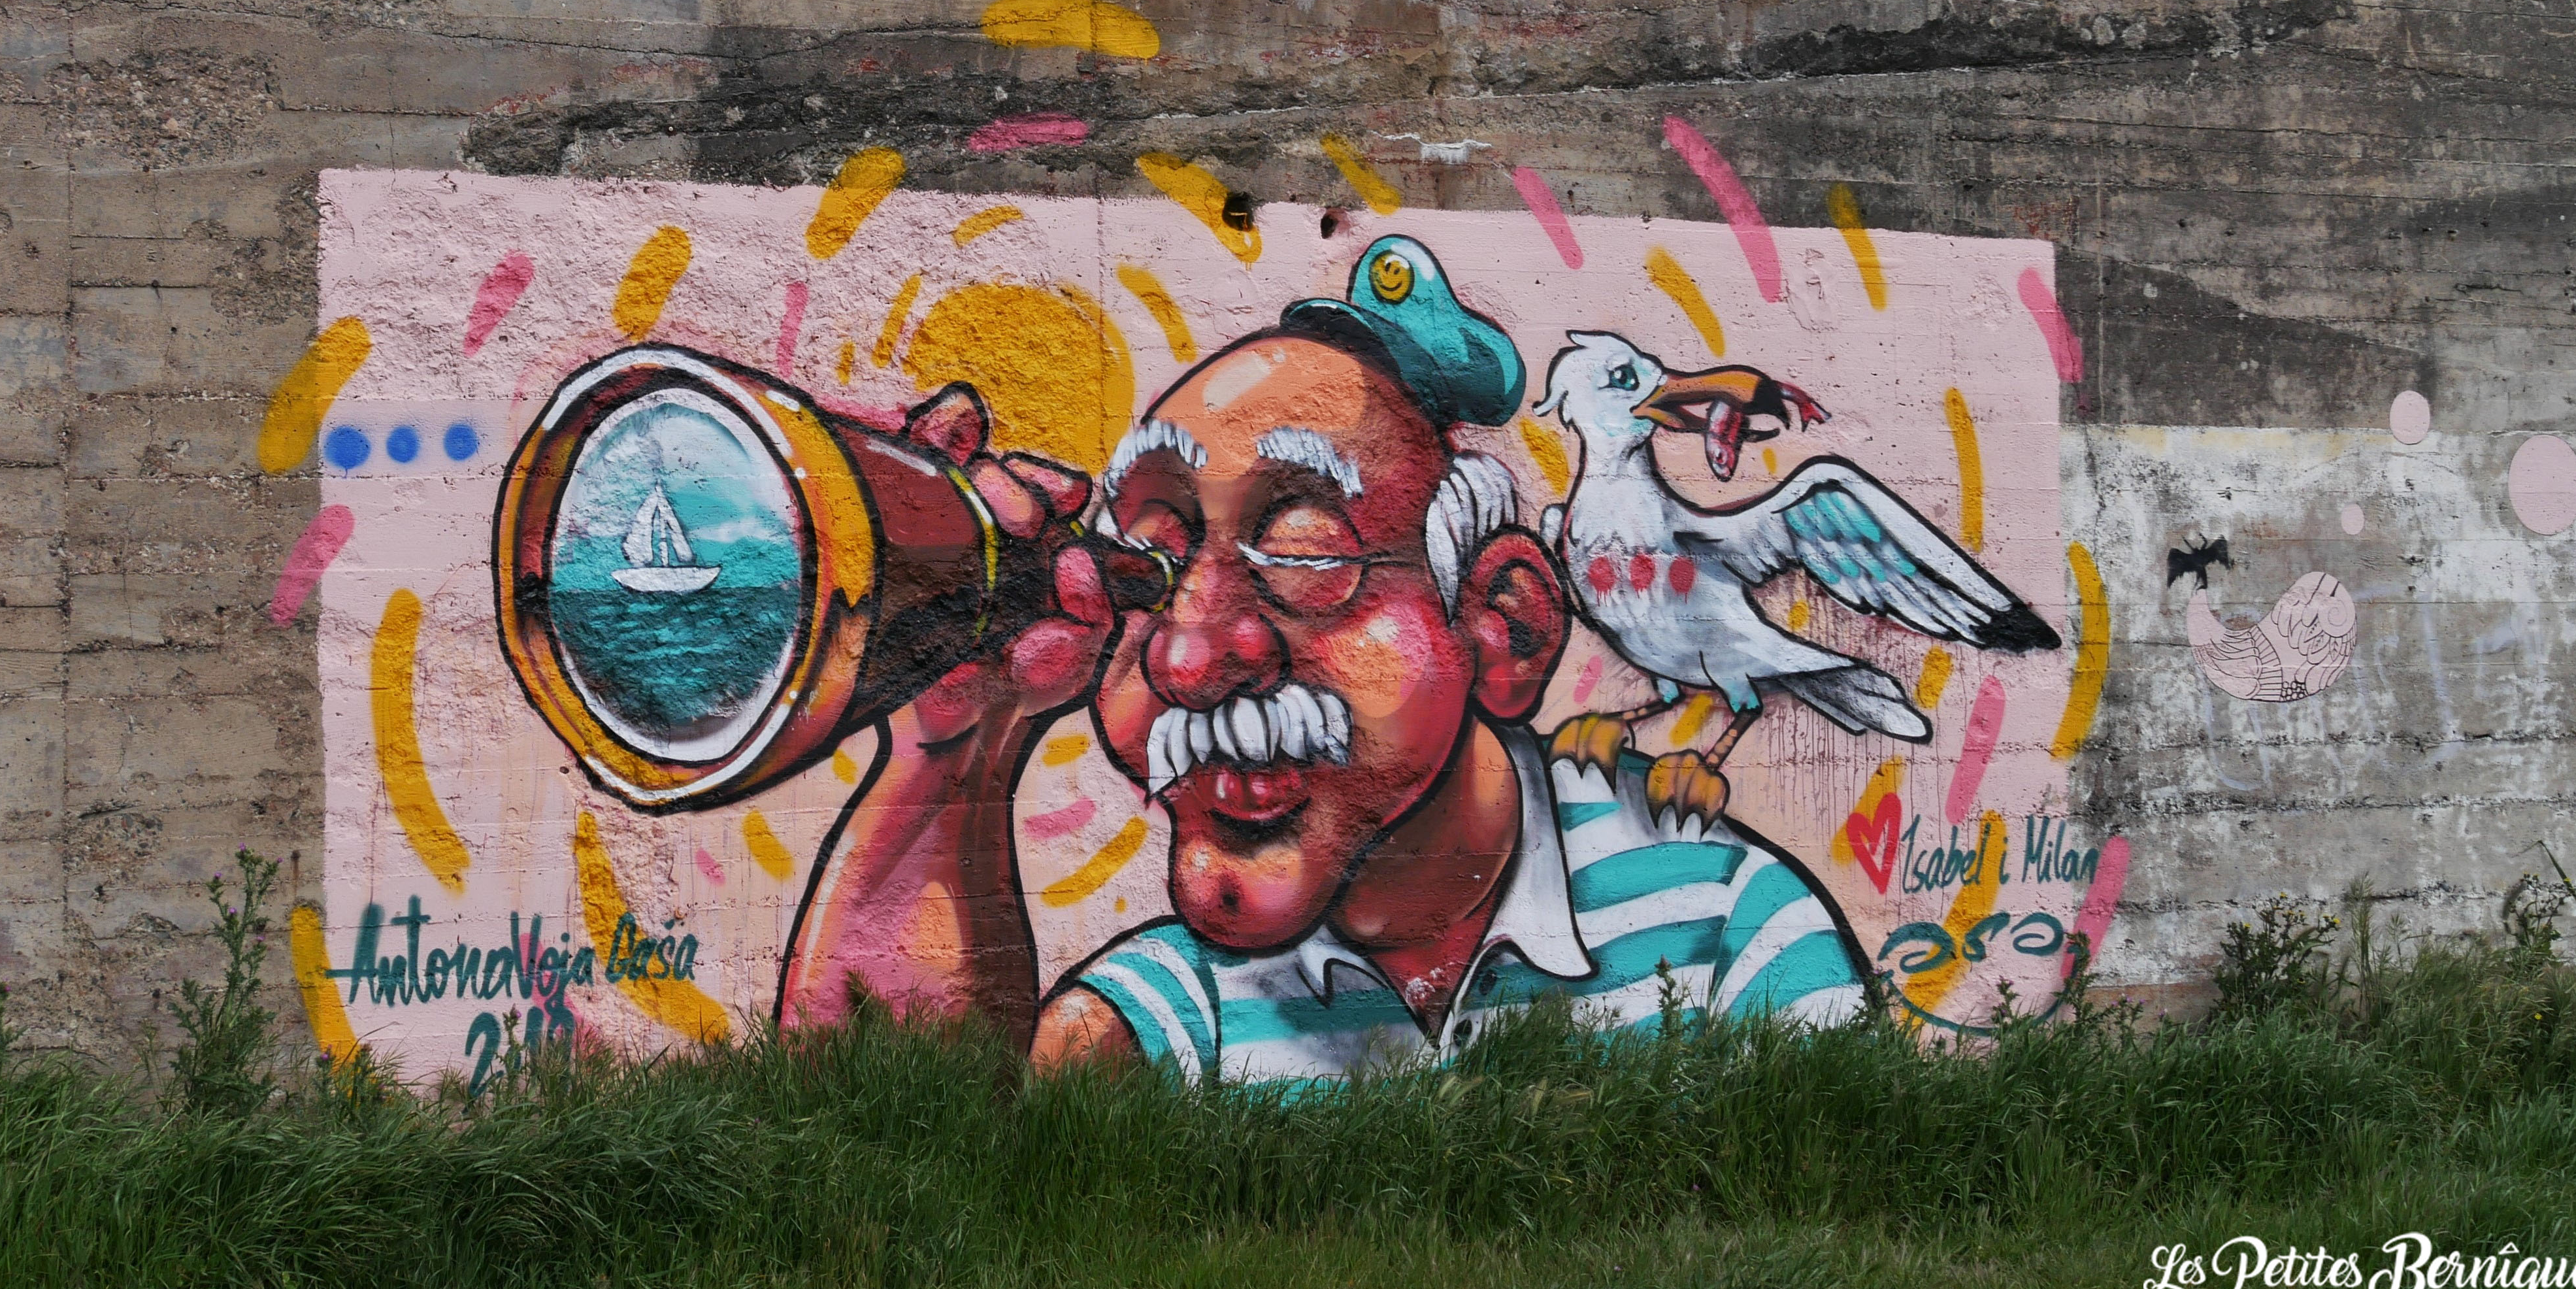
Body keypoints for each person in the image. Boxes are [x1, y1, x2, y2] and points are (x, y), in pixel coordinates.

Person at [777, 237, 1867, 1081]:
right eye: (1146, 570)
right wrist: (955, 745)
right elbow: (895, 1176)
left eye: (1299, 554)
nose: (1190, 658)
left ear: (1506, 627)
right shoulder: (1161, 1026)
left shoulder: (1728, 926)